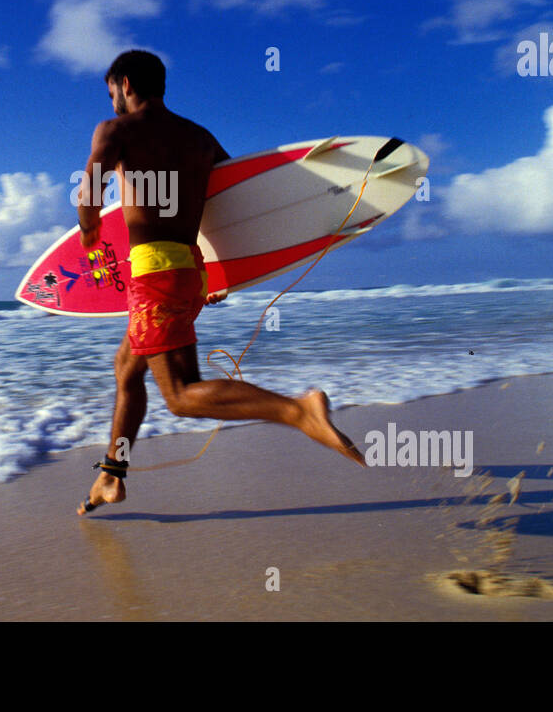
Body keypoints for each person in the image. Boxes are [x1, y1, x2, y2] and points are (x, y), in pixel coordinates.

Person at [76, 50, 366, 516]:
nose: (112, 101)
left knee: (180, 395)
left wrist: (89, 229)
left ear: (125, 83)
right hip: (190, 270)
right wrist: (222, 268)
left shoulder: (116, 131)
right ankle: (111, 475)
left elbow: (89, 192)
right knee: (128, 370)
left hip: (154, 272)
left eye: (111, 91)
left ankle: (298, 411)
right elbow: (236, 203)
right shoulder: (199, 137)